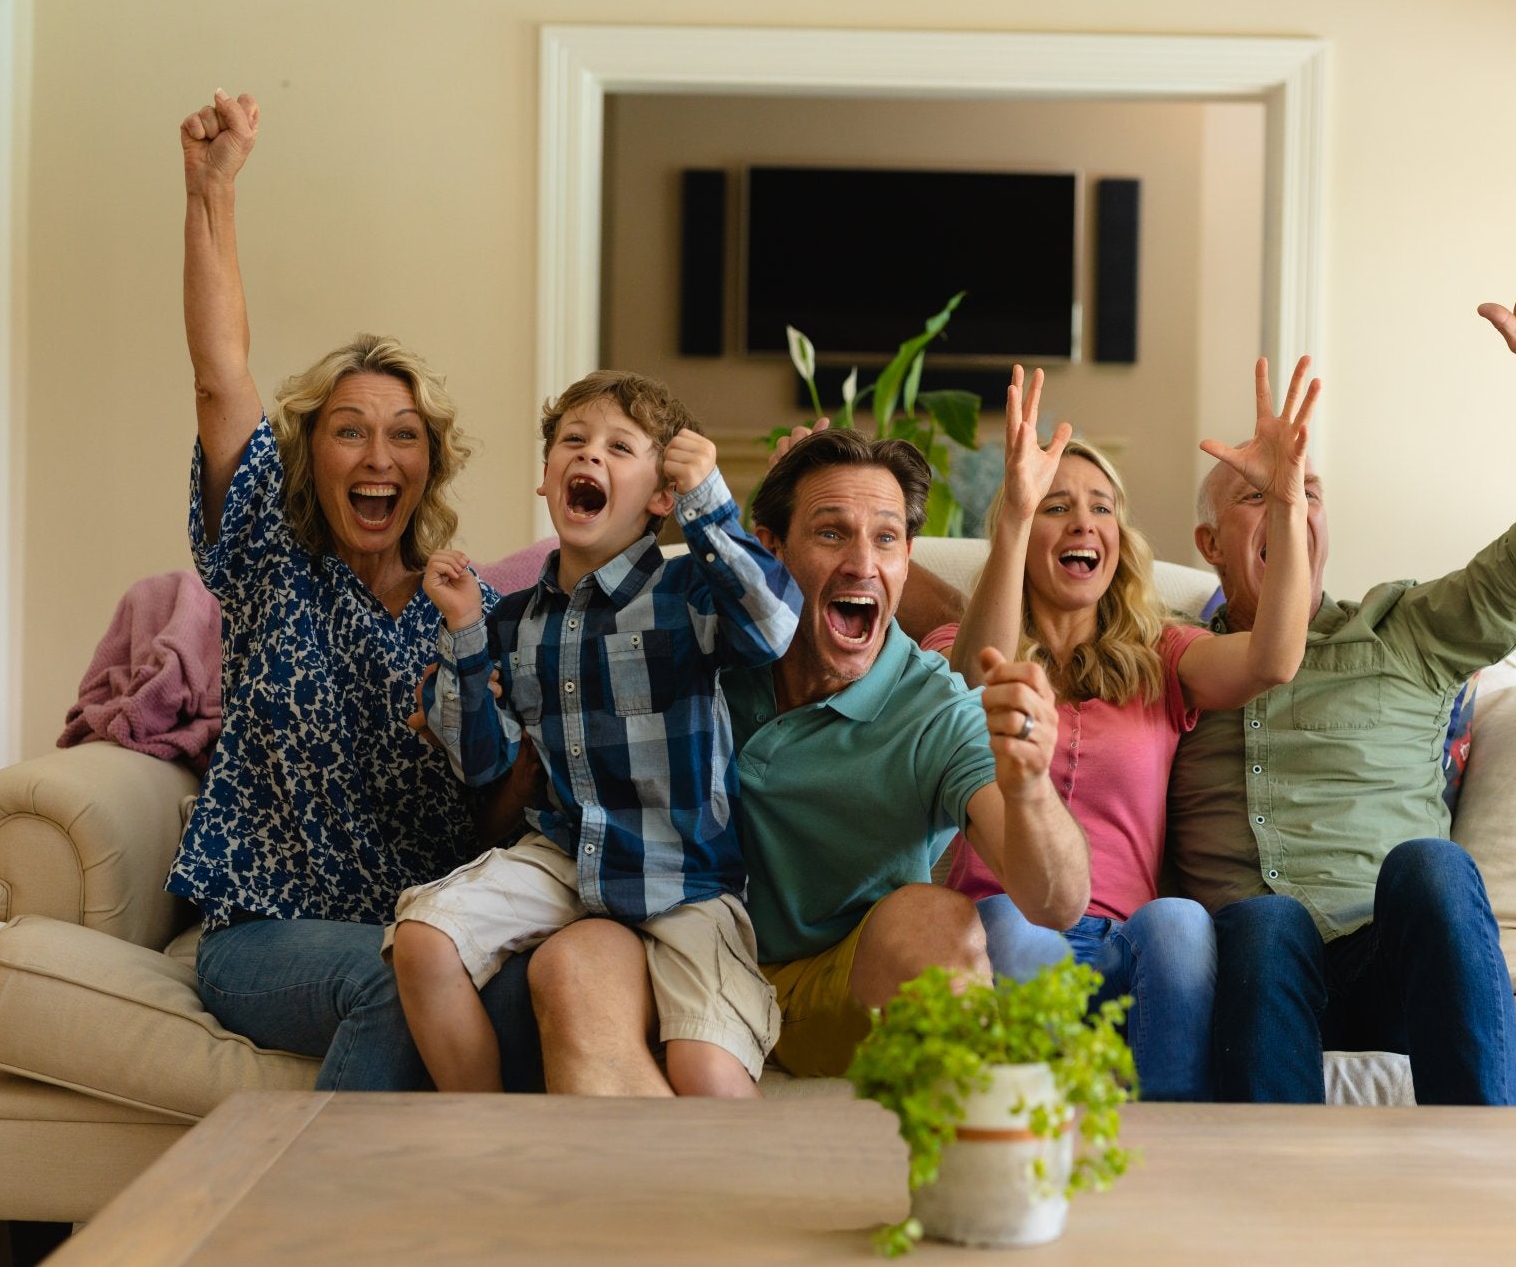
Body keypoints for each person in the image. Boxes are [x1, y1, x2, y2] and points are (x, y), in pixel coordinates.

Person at [526, 428, 1093, 1091]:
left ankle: (962, 1149)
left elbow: (1058, 903)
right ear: (771, 548)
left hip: (834, 981)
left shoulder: (935, 709)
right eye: (831, 533)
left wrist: (1029, 788)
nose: (862, 563)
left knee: (936, 920)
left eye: (886, 538)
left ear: (907, 558)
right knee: (574, 961)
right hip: (675, 946)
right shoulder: (699, 639)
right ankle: (681, 1154)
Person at [167, 89, 536, 1088]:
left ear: (429, 464)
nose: (378, 455)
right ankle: (313, 1194)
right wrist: (211, 193)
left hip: (430, 928)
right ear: (310, 452)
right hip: (267, 930)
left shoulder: (470, 613)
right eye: (349, 430)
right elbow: (220, 376)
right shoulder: (269, 554)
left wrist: (525, 756)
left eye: (403, 435)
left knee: (518, 993)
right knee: (394, 980)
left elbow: (493, 817)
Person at [1169, 283, 1516, 1105]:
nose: (1290, 504)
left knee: (1430, 866)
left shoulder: (1403, 628)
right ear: (1208, 543)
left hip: (1393, 964)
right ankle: (1273, 1176)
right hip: (1256, 971)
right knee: (1265, 920)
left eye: (1306, 491)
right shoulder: (1170, 657)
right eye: (1259, 493)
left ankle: (1492, 1158)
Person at [387, 371, 801, 1096]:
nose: (589, 455)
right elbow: (482, 764)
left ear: (661, 495)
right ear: (547, 480)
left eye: (620, 447)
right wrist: (464, 630)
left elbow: (773, 627)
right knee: (422, 941)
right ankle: (485, 1135)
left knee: (709, 1075)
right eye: (573, 441)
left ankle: (729, 1169)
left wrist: (709, 500)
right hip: (565, 858)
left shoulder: (687, 592)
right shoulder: (510, 619)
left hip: (686, 880)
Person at [930, 363, 1319, 1101]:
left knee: (1180, 921)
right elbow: (975, 688)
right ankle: (1035, 1134)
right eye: (1056, 507)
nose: (1084, 523)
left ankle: (1169, 1146)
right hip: (1007, 925)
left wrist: (1286, 502)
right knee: (1008, 924)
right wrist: (1013, 514)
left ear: (1119, 538)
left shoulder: (1161, 655)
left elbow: (1273, 660)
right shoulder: (959, 643)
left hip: (1131, 939)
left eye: (1101, 508)